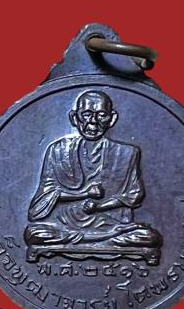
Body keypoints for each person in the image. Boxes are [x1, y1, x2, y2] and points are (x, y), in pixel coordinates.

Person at [25, 90, 162, 263]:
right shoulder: (58, 150)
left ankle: (100, 237)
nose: (93, 122)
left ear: (112, 119)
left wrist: (99, 206)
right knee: (34, 233)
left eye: (101, 115)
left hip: (110, 224)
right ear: (75, 118)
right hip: (66, 225)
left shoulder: (126, 153)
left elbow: (134, 196)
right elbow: (44, 198)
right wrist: (83, 194)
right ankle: (102, 239)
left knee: (149, 237)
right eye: (87, 114)